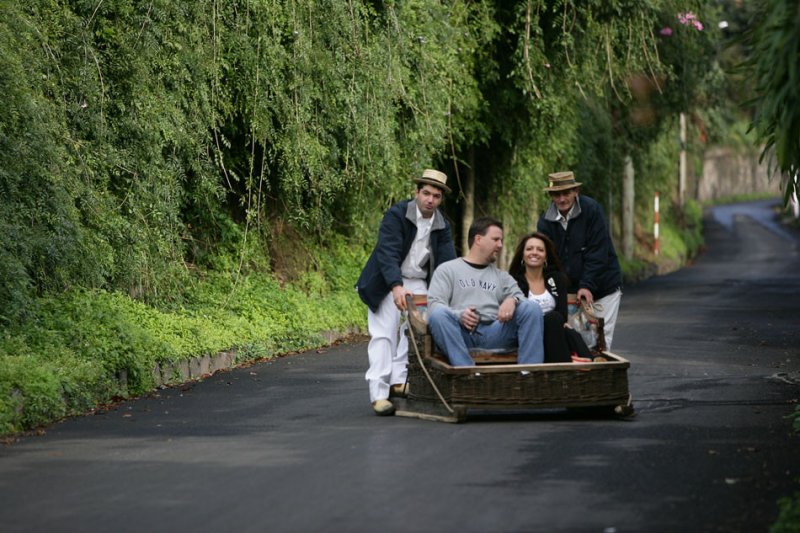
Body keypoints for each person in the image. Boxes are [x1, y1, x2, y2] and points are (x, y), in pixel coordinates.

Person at [355, 169, 457, 416]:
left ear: (441, 199)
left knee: (414, 332)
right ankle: (378, 394)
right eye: (426, 193)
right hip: (386, 280)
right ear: (417, 193)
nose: (430, 200)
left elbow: (446, 263)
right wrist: (396, 285)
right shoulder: (397, 214)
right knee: (383, 334)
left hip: (419, 282)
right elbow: (386, 252)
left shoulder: (443, 225)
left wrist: (448, 293)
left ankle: (398, 380)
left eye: (436, 196)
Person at [427, 217, 544, 367]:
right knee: (438, 314)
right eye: (496, 239)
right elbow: (434, 306)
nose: (500, 245)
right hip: (460, 335)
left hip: (495, 333)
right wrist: (460, 315)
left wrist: (512, 300)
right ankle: (467, 373)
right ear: (478, 239)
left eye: (501, 240)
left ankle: (529, 375)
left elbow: (522, 300)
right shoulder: (447, 270)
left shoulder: (502, 276)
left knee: (531, 307)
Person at [537, 171, 623, 349]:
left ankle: (601, 376)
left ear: (576, 191)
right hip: (570, 293)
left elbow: (598, 252)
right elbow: (549, 262)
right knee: (576, 341)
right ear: (551, 196)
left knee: (600, 341)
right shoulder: (545, 222)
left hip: (603, 287)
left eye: (566, 193)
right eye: (556, 194)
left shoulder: (591, 210)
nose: (562, 199)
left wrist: (587, 285)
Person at [508, 232, 592, 363]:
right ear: (522, 255)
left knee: (560, 325)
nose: (534, 252)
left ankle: (582, 364)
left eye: (540, 249)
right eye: (529, 249)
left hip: (555, 331)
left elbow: (562, 316)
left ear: (546, 256)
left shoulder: (557, 279)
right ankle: (571, 364)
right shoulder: (513, 282)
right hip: (527, 334)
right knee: (554, 320)